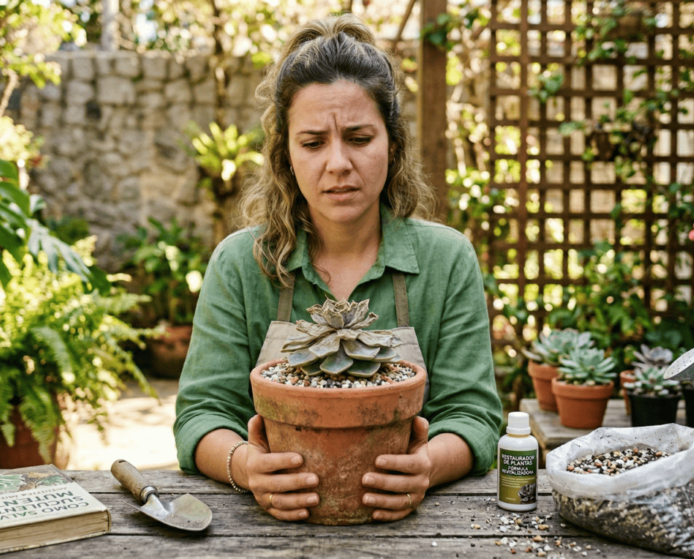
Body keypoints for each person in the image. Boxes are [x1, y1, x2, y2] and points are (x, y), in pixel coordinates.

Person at [173, 13, 503, 522]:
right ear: (285, 154)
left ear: (392, 143)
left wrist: (427, 467)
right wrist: (246, 467)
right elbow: (202, 413)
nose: (338, 163)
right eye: (312, 143)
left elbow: (473, 414)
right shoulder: (240, 264)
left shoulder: (446, 260)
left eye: (359, 138)